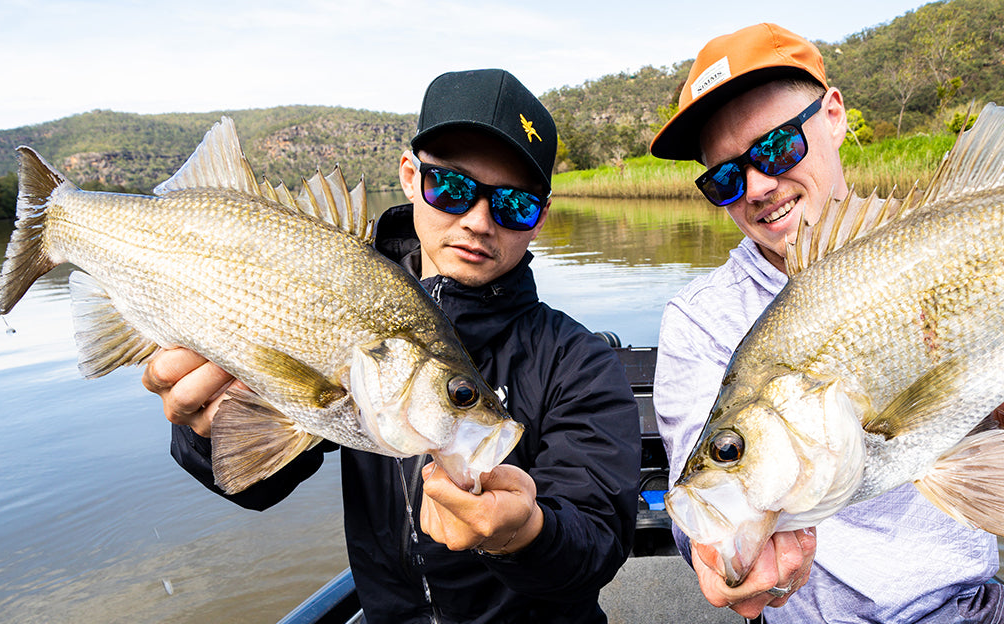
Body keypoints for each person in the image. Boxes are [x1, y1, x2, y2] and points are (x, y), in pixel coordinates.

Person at [143, 69, 641, 623]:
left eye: (514, 205)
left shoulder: (579, 361)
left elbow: (597, 544)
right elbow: (257, 487)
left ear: (540, 219)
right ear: (410, 177)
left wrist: (524, 532)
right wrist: (202, 426)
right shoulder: (334, 304)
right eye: (451, 188)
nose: (478, 222)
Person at [649, 23, 1004, 623]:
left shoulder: (958, 243)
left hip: (970, 608)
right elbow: (698, 505)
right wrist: (719, 558)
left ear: (833, 115)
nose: (756, 187)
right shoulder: (701, 320)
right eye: (723, 177)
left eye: (777, 148)